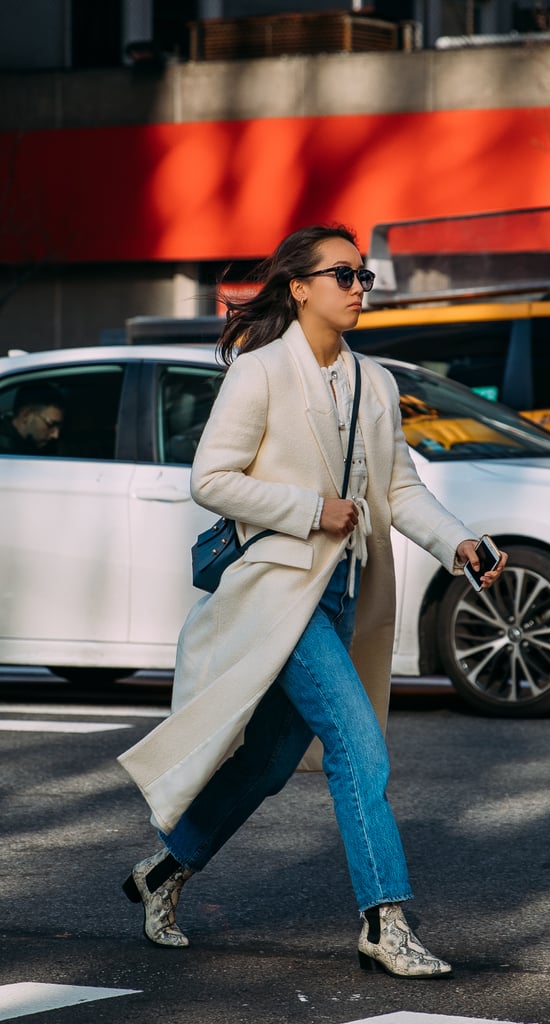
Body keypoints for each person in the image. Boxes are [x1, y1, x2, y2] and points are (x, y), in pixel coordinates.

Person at [118, 224, 507, 978]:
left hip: (342, 596)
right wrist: (308, 508)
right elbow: (212, 479)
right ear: (298, 287)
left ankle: (163, 873)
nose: (358, 287)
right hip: (278, 595)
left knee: (264, 764)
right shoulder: (260, 373)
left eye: (364, 276)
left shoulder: (376, 381)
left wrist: (458, 542)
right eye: (342, 275)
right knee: (358, 749)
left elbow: (397, 490)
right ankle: (383, 921)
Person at [0, 383, 65, 455]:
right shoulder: (4, 450)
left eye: (59, 427)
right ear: (25, 416)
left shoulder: (37, 447)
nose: (56, 435)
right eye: (50, 424)